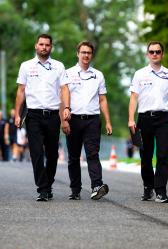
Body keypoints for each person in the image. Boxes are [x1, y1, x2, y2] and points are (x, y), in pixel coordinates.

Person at [14, 34, 70, 201]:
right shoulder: (26, 66)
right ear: (36, 46)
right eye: (41, 44)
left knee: (52, 155)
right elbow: (21, 91)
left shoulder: (58, 66)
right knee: (37, 153)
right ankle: (43, 189)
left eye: (47, 45)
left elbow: (65, 89)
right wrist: (17, 114)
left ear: (51, 47)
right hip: (33, 116)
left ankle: (48, 183)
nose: (44, 47)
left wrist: (66, 108)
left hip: (53, 115)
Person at [128, 41, 168, 203]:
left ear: (162, 54)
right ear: (147, 54)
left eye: (158, 52)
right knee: (145, 156)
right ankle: (148, 187)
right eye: (151, 52)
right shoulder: (139, 74)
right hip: (144, 119)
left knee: (162, 155)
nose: (154, 54)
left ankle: (161, 191)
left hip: (164, 119)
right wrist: (131, 119)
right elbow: (133, 98)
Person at [62, 41, 112, 201]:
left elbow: (103, 100)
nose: (86, 55)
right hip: (73, 119)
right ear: (77, 54)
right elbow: (62, 99)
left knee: (92, 154)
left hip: (92, 120)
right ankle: (75, 190)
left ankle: (97, 186)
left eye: (89, 53)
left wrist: (108, 122)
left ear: (91, 55)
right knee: (74, 157)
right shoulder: (68, 73)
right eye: (83, 52)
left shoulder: (98, 75)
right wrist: (64, 121)